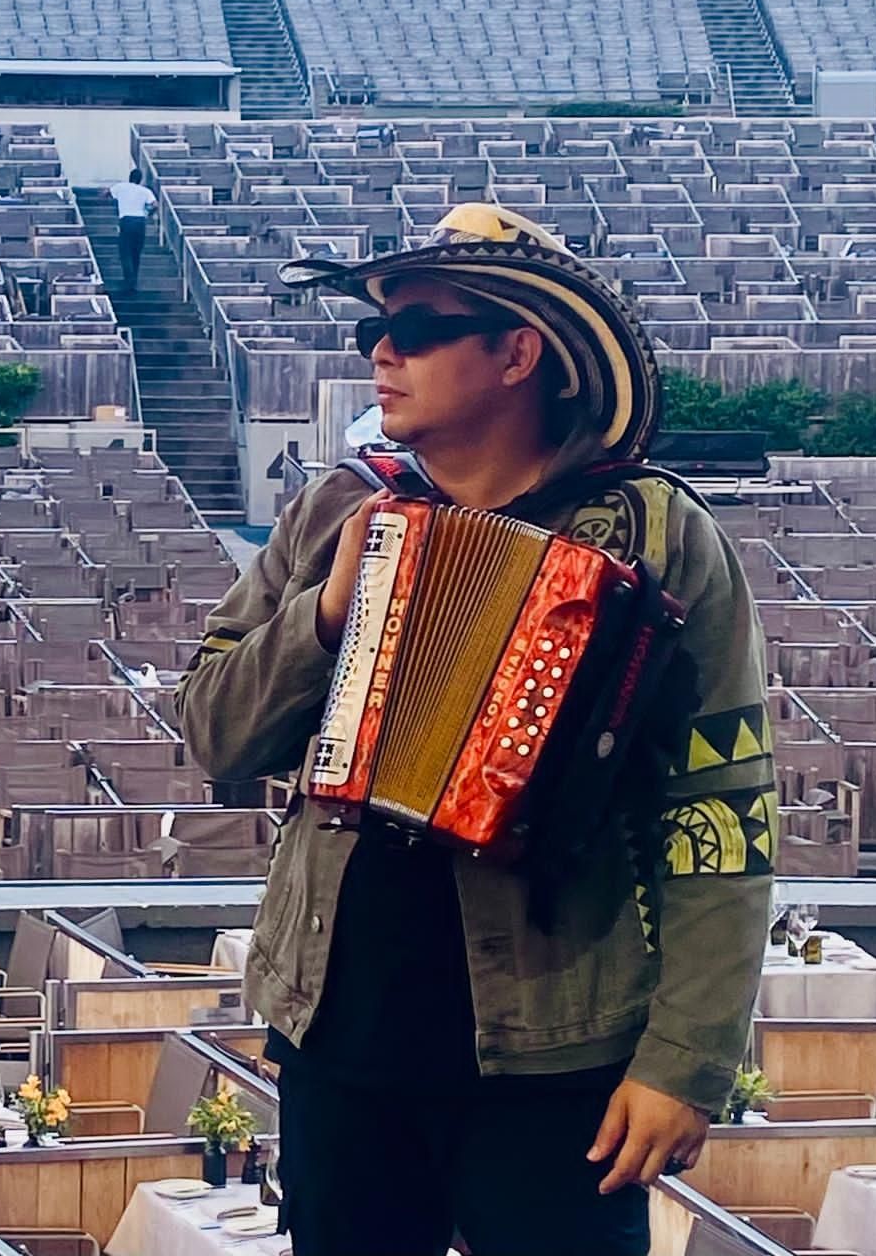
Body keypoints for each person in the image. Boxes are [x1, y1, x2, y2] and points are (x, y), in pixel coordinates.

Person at [177, 204, 775, 1256]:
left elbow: (719, 816)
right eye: (373, 329)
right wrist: (325, 612)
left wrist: (685, 1059)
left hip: (557, 1050)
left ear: (517, 352)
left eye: (413, 328)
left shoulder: (658, 536)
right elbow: (216, 735)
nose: (378, 352)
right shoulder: (333, 511)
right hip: (338, 1030)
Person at [109, 169, 157, 290]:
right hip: (140, 221)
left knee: (125, 252)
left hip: (126, 220)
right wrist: (148, 213)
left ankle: (129, 279)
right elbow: (155, 204)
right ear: (140, 180)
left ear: (129, 177)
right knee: (136, 252)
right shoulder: (145, 191)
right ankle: (134, 280)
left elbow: (107, 193)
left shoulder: (121, 187)